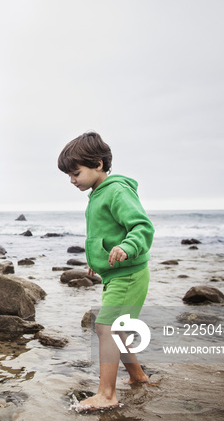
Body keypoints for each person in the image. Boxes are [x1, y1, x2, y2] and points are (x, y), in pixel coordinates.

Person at [57, 131, 154, 411]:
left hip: (129, 273)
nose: (72, 180)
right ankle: (138, 377)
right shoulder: (98, 193)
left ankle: (107, 394)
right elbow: (107, 230)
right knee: (117, 329)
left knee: (106, 327)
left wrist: (127, 247)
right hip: (116, 274)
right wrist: (98, 257)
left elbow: (141, 226)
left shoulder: (117, 190)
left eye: (76, 173)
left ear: (98, 164)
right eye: (69, 175)